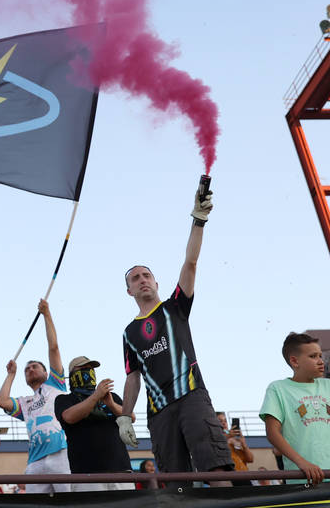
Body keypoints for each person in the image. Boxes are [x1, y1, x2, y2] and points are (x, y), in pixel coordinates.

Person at [120, 180, 232, 478]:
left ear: (156, 283)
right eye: (135, 278)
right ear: (129, 291)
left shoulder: (175, 307)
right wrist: (123, 418)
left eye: (146, 275)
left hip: (192, 396)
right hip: (159, 412)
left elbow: (191, 263)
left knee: (216, 468)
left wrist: (199, 219)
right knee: (174, 482)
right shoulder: (129, 333)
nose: (142, 279)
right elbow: (133, 377)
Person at [259, 332, 330, 485]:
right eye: (313, 356)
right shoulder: (278, 388)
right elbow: (272, 433)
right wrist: (302, 463)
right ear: (295, 361)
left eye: (320, 356)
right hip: (304, 478)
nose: (321, 361)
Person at [0, 299, 70, 494]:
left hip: (60, 453)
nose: (30, 369)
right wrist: (11, 375)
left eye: (35, 366)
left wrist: (46, 314)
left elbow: (53, 348)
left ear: (46, 373)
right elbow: (2, 401)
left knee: (70, 500)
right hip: (35, 461)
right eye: (27, 369)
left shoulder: (55, 384)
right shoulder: (25, 403)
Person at [54, 355, 134, 491]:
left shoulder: (111, 397)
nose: (88, 371)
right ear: (72, 374)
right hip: (86, 474)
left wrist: (111, 404)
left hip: (121, 470)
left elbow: (130, 416)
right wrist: (96, 396)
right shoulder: (65, 399)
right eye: (83, 368)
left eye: (90, 368)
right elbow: (69, 417)